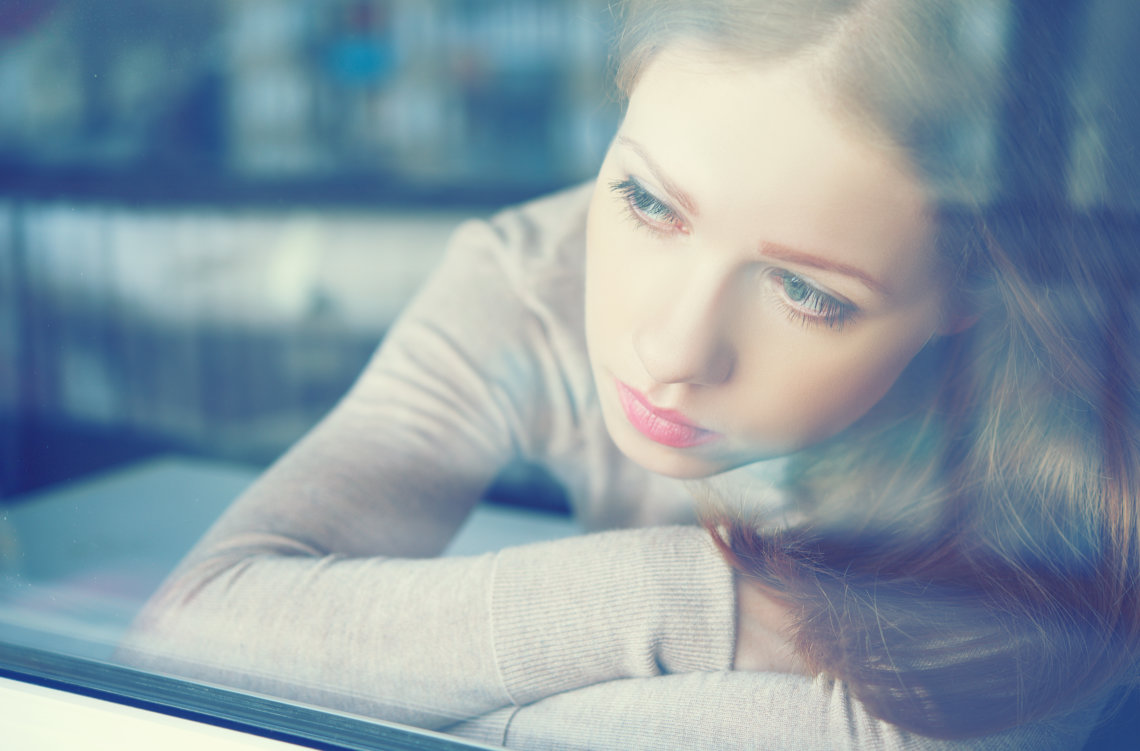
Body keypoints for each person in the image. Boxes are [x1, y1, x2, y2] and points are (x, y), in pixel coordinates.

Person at [119, 1, 1138, 748]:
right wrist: (711, 603)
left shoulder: (1068, 406)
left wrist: (412, 691)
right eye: (650, 205)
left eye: (808, 293)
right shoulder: (534, 270)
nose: (672, 349)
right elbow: (200, 631)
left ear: (967, 297)